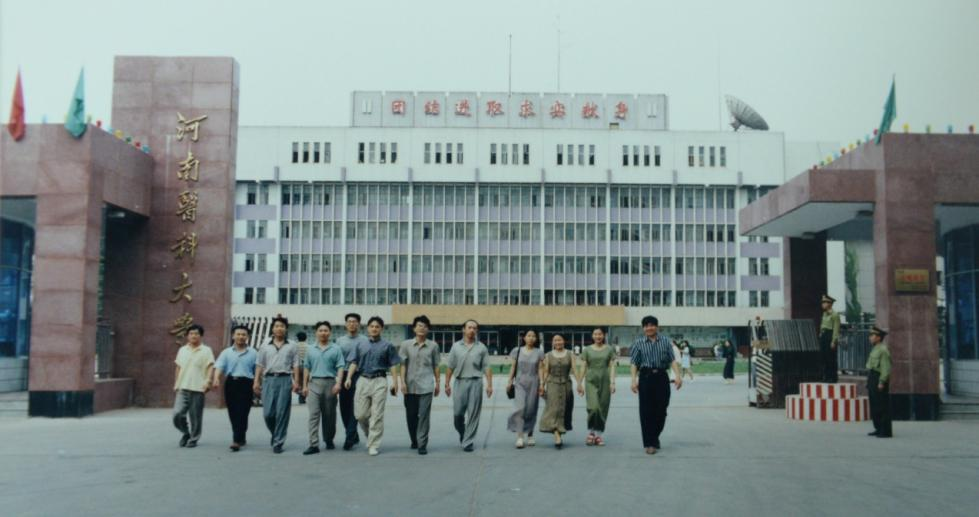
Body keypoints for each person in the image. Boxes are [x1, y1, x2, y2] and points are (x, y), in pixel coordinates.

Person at [344, 316, 401, 456]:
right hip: (363, 380)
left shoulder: (387, 346)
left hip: (380, 380)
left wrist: (395, 382)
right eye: (372, 326)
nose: (374, 329)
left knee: (377, 414)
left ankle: (373, 444)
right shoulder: (360, 344)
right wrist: (349, 378)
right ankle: (370, 434)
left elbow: (393, 364)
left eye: (377, 326)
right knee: (360, 415)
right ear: (367, 328)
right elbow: (354, 362)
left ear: (381, 329)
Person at [630, 315, 682, 455]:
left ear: (657, 327)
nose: (649, 328)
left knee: (661, 410)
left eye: (652, 325)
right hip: (645, 377)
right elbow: (634, 363)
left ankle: (654, 436)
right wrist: (633, 380)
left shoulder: (665, 341)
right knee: (646, 411)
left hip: (661, 377)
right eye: (646, 326)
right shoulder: (638, 343)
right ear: (643, 328)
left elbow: (672, 360)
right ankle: (650, 443)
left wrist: (678, 376)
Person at [253, 315, 300, 454]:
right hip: (268, 380)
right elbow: (259, 364)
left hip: (285, 379)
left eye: (282, 326)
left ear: (286, 329)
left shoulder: (292, 345)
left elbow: (296, 364)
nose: (279, 328)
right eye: (277, 326)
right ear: (272, 329)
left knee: (282, 413)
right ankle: (275, 434)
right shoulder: (265, 345)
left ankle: (278, 442)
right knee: (268, 413)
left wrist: (296, 382)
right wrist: (256, 381)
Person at [445, 319, 493, 452]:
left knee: (473, 414)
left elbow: (487, 367)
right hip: (460, 382)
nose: (472, 330)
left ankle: (468, 442)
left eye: (475, 328)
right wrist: (446, 383)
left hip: (476, 382)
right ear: (464, 329)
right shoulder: (456, 346)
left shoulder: (481, 347)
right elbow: (450, 366)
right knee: (457, 414)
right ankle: (463, 432)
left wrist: (489, 385)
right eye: (469, 327)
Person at [398, 315, 441, 455]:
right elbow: (403, 365)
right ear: (414, 328)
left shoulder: (433, 346)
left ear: (428, 329)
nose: (422, 328)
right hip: (410, 386)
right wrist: (402, 382)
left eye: (425, 326)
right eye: (419, 325)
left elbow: (436, 365)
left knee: (424, 416)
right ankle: (414, 440)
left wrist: (438, 383)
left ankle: (422, 444)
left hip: (426, 386)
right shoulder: (405, 345)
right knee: (411, 415)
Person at [302, 321, 346, 455]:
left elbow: (340, 367)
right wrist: (304, 386)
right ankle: (313, 444)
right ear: (316, 332)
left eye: (326, 330)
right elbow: (306, 368)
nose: (323, 333)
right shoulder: (310, 349)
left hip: (330, 384)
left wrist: (338, 383)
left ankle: (329, 439)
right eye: (320, 330)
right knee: (313, 415)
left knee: (329, 415)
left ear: (330, 332)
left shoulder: (336, 349)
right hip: (314, 384)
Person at [212, 324, 256, 451]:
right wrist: (216, 378)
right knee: (233, 411)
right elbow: (219, 366)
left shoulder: (253, 353)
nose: (241, 337)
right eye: (238, 334)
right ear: (233, 336)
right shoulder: (226, 352)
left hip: (247, 383)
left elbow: (257, 370)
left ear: (247, 337)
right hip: (231, 383)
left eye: (244, 334)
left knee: (243, 411)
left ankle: (238, 438)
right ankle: (238, 437)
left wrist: (257, 384)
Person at [172, 324, 215, 448]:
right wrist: (176, 383)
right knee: (177, 414)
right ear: (187, 336)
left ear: (201, 336)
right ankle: (186, 433)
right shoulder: (182, 350)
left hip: (198, 387)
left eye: (196, 333)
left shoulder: (206, 350)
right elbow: (178, 367)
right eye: (191, 333)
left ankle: (194, 438)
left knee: (195, 417)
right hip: (182, 387)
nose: (194, 336)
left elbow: (210, 367)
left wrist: (208, 381)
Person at [577, 328, 616, 446]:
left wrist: (612, 382)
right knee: (593, 407)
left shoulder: (609, 349)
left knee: (603, 407)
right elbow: (583, 366)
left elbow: (612, 366)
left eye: (600, 334)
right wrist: (579, 382)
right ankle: (591, 431)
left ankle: (598, 435)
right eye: (595, 334)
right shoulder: (587, 350)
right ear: (592, 336)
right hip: (591, 380)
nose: (598, 336)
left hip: (605, 380)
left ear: (603, 335)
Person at [506, 330, 544, 448]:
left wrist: (542, 383)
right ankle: (520, 436)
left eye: (533, 336)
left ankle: (530, 434)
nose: (531, 338)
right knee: (520, 409)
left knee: (531, 409)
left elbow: (540, 369)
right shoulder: (517, 351)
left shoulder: (539, 352)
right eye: (529, 336)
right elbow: (513, 367)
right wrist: (509, 381)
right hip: (520, 383)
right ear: (524, 338)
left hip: (534, 382)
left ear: (536, 339)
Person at [336, 313, 369, 450]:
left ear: (359, 324)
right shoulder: (339, 341)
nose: (352, 324)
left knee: (356, 405)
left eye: (355, 321)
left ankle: (349, 436)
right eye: (349, 321)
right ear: (345, 324)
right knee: (344, 406)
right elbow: (336, 359)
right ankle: (353, 433)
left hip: (359, 375)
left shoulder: (365, 340)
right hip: (343, 374)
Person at [539, 333, 578, 449]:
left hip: (566, 384)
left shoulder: (570, 354)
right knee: (554, 409)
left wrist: (579, 383)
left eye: (560, 340)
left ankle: (559, 433)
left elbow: (575, 369)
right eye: (555, 340)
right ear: (552, 342)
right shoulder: (548, 355)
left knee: (564, 409)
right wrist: (542, 385)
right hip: (552, 384)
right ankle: (556, 434)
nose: (558, 342)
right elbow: (546, 371)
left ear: (564, 341)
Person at [866, 326, 893, 438]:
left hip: (879, 378)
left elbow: (886, 368)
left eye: (872, 335)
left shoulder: (883, 350)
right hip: (872, 377)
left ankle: (885, 431)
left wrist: (882, 381)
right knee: (874, 405)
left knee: (882, 405)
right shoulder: (875, 348)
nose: (870, 337)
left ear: (879, 337)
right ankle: (878, 428)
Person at [819, 294, 841, 383]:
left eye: (824, 302)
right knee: (823, 357)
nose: (823, 304)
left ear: (830, 303)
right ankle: (825, 376)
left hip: (830, 335)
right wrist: (820, 334)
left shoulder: (835, 315)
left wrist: (834, 341)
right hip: (824, 335)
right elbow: (822, 325)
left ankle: (832, 377)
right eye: (822, 302)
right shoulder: (824, 314)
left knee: (830, 357)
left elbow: (836, 328)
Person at [295, 331, 309, 404]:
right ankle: (303, 396)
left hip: (297, 366)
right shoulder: (308, 346)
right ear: (306, 338)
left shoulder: (295, 346)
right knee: (305, 382)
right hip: (306, 367)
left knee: (299, 381)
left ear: (297, 338)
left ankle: (301, 394)